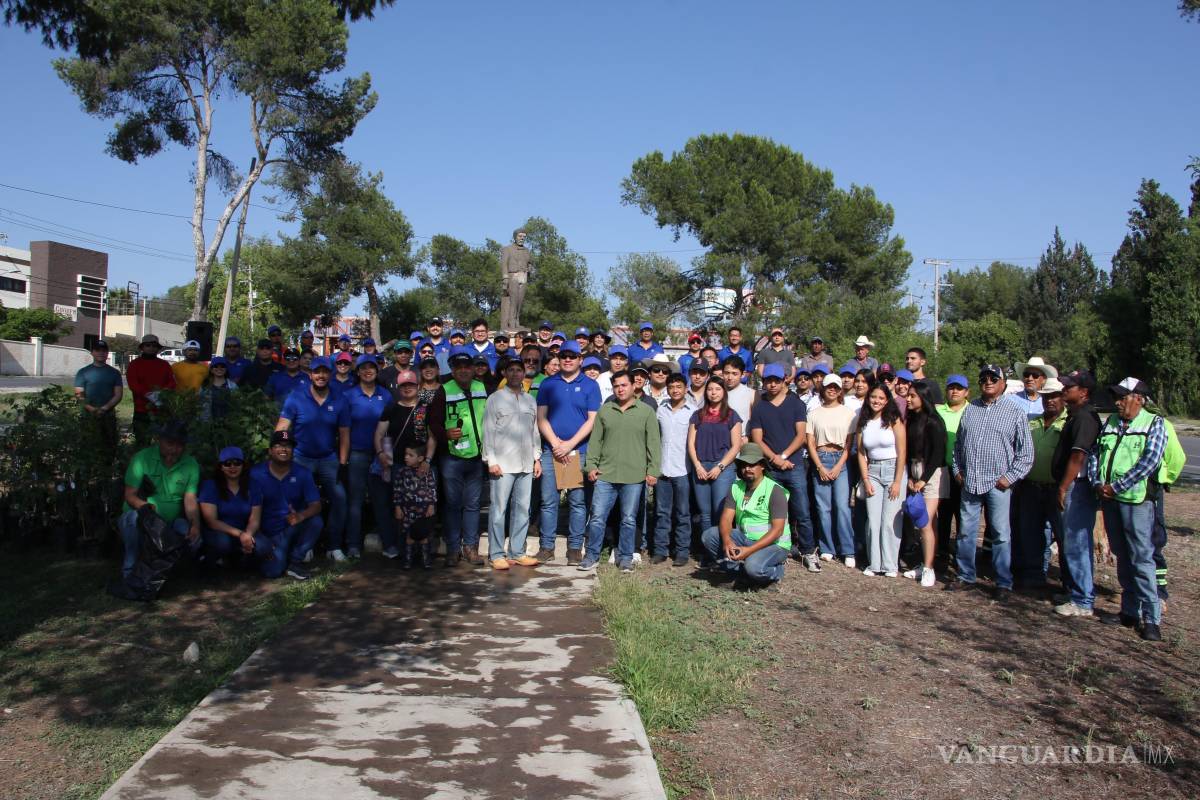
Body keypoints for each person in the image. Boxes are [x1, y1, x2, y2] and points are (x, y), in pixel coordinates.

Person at [1090, 377, 1167, 641]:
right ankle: (1129, 611)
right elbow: (1095, 454)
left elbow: (1150, 461)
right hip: (1110, 500)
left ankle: (1151, 618)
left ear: (1139, 399)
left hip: (1136, 502)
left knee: (1142, 558)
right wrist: (1098, 483)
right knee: (1122, 555)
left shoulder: (1154, 424)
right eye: (1117, 397)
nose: (1118, 402)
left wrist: (1117, 486)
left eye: (1123, 397)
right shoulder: (1111, 423)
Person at [949, 364, 1034, 598]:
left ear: (1003, 384)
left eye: (993, 378)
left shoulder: (1014, 411)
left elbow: (1026, 452)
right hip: (970, 482)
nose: (988, 381)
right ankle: (965, 575)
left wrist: (1009, 477)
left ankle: (1002, 582)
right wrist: (958, 470)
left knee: (1000, 534)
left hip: (998, 483)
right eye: (984, 378)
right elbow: (958, 446)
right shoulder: (971, 409)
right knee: (966, 532)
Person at [579, 370, 661, 572]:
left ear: (634, 386)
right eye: (616, 386)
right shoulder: (606, 411)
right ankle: (592, 556)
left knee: (628, 518)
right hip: (605, 475)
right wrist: (591, 466)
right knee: (597, 517)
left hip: (634, 476)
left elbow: (654, 444)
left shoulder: (646, 412)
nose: (620, 389)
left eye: (624, 385)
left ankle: (625, 557)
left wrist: (653, 471)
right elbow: (595, 441)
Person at [276, 356, 351, 561]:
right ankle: (305, 545)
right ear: (310, 374)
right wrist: (280, 454)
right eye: (317, 372)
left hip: (328, 458)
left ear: (330, 374)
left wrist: (343, 463)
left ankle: (333, 546)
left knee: (340, 499)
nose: (321, 375)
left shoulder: (339, 399)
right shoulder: (296, 397)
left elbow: (344, 434)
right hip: (301, 458)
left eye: (325, 372)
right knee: (300, 502)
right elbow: (282, 427)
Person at [535, 340, 601, 564]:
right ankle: (546, 546)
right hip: (551, 451)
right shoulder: (548, 383)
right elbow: (541, 418)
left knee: (577, 501)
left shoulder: (591, 385)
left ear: (580, 359)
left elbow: (592, 420)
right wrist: (556, 444)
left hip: (578, 451)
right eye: (564, 355)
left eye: (572, 356)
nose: (568, 359)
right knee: (548, 501)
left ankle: (574, 548)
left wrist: (569, 445)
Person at [749, 363, 817, 567]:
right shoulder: (760, 406)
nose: (772, 384)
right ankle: (776, 548)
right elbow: (757, 439)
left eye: (776, 381)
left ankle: (807, 551)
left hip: (794, 466)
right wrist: (774, 459)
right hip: (771, 468)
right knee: (772, 512)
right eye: (768, 381)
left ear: (784, 380)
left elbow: (801, 435)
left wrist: (785, 455)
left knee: (802, 511)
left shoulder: (796, 404)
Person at [427, 347, 489, 567]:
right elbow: (432, 421)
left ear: (473, 369)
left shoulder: (481, 388)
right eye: (458, 367)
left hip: (477, 457)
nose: (463, 371)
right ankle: (453, 549)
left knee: (472, 505)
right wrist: (444, 434)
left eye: (467, 367)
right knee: (452, 504)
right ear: (452, 370)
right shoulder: (443, 390)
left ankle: (470, 548)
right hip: (452, 457)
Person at [701, 442, 790, 588]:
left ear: (762, 466)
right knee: (709, 536)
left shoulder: (775, 490)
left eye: (752, 464)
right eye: (743, 465)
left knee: (754, 568)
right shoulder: (736, 487)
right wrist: (727, 541)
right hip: (745, 538)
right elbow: (726, 518)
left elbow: (777, 531)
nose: (747, 468)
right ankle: (740, 572)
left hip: (774, 544)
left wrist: (749, 551)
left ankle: (775, 572)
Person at [118, 420, 201, 577]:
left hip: (171, 521)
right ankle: (129, 571)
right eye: (170, 443)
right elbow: (130, 496)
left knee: (194, 537)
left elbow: (190, 499)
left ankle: (169, 573)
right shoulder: (141, 459)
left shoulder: (191, 464)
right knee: (130, 520)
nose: (175, 449)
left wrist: (195, 525)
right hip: (143, 517)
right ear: (159, 441)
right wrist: (148, 509)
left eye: (180, 445)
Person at [483, 357, 542, 570]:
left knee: (523, 509)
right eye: (512, 370)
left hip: (526, 462)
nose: (516, 373)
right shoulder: (495, 399)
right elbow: (488, 431)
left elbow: (534, 430)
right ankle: (496, 553)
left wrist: (537, 458)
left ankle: (517, 552)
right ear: (505, 374)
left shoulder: (529, 400)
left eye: (519, 370)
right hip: (503, 463)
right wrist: (491, 460)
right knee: (499, 510)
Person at [1050, 370, 1102, 617]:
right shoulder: (1075, 415)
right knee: (1070, 542)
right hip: (1071, 486)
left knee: (1077, 542)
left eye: (1070, 386)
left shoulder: (1085, 418)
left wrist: (1063, 486)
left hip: (1077, 488)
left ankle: (1083, 600)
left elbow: (1078, 455)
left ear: (1084, 392)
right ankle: (1074, 592)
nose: (1064, 389)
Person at [374, 369, 435, 562]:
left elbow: (432, 436)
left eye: (411, 385)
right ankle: (403, 549)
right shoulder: (391, 408)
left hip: (422, 466)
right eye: (404, 385)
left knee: (425, 508)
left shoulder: (426, 407)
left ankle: (425, 548)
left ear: (418, 386)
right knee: (401, 508)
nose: (407, 388)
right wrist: (380, 453)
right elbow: (379, 434)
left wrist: (427, 460)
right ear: (399, 388)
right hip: (399, 465)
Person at [1012, 377, 1067, 589]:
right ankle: (1034, 577)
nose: (1050, 401)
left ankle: (1068, 582)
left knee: (1063, 537)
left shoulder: (1067, 423)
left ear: (1062, 399)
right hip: (1031, 486)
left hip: (1056, 488)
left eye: (1054, 397)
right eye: (1046, 397)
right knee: (1031, 535)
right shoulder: (1031, 422)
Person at [250, 429, 324, 580]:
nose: (284, 449)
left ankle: (295, 561)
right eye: (278, 445)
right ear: (270, 450)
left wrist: (301, 515)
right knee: (273, 572)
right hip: (265, 532)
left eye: (288, 446)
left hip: (290, 528)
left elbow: (316, 504)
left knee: (316, 521)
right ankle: (272, 556)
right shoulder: (255, 473)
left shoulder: (303, 473)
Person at [343, 355, 394, 559]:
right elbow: (343, 428)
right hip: (357, 453)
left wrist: (387, 455)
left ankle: (389, 544)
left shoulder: (385, 395)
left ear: (377, 370)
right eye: (363, 368)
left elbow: (391, 427)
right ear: (357, 372)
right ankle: (353, 544)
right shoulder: (349, 396)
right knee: (355, 500)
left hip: (380, 454)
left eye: (371, 367)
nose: (367, 371)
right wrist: (344, 457)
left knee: (382, 500)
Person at [806, 373, 857, 572]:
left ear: (840, 390)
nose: (832, 389)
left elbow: (848, 444)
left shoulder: (848, 413)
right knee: (823, 508)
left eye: (836, 387)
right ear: (823, 388)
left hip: (840, 461)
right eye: (829, 386)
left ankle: (848, 550)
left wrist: (837, 466)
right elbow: (810, 442)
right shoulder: (814, 413)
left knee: (842, 507)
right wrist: (819, 466)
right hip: (821, 457)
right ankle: (827, 547)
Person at [856, 384, 907, 577]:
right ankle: (874, 564)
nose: (876, 401)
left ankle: (890, 565)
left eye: (881, 398)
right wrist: (866, 479)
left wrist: (897, 481)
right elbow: (861, 454)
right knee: (873, 521)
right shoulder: (863, 422)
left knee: (889, 521)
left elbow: (902, 451)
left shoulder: (894, 420)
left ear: (887, 401)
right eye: (873, 397)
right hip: (873, 471)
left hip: (894, 469)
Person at [901, 381, 947, 587]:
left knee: (925, 521)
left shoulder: (934, 422)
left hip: (932, 474)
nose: (908, 399)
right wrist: (911, 476)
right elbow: (909, 452)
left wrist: (922, 480)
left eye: (912, 396)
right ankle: (923, 562)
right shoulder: (911, 419)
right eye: (908, 395)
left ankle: (929, 569)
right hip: (915, 470)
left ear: (923, 397)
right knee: (923, 521)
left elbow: (938, 455)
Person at [688, 378, 743, 543]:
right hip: (701, 467)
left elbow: (736, 446)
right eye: (710, 389)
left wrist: (720, 466)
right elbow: (690, 443)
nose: (713, 393)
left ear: (724, 392)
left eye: (717, 389)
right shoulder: (698, 415)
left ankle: (721, 549)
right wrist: (697, 466)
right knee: (704, 513)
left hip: (723, 468)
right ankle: (707, 551)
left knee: (721, 511)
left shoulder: (732, 415)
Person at [199, 447, 265, 569]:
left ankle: (239, 560)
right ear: (221, 467)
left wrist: (248, 534)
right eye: (227, 464)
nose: (232, 467)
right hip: (219, 531)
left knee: (263, 546)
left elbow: (255, 519)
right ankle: (212, 558)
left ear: (243, 465)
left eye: (237, 463)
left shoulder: (253, 485)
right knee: (223, 543)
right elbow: (211, 522)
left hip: (245, 530)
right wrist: (240, 535)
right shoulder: (210, 486)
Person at [656, 373, 694, 566]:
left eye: (679, 386)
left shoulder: (693, 411)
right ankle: (661, 550)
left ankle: (682, 551)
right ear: (667, 389)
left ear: (685, 388)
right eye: (672, 387)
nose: (675, 390)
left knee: (683, 513)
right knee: (662, 512)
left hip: (683, 469)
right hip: (663, 469)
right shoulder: (661, 409)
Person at [935, 375, 970, 560]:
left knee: (964, 515)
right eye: (951, 387)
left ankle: (962, 554)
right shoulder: (939, 411)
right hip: (942, 470)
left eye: (959, 388)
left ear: (966, 392)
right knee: (944, 513)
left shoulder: (972, 411)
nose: (954, 391)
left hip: (964, 472)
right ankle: (941, 550)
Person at [392, 442, 439, 569]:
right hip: (407, 510)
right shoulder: (402, 472)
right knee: (409, 536)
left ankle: (426, 560)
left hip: (423, 510)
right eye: (405, 454)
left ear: (420, 458)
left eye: (410, 455)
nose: (406, 457)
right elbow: (397, 490)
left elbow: (432, 488)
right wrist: (397, 507)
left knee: (424, 536)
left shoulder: (427, 472)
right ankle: (407, 560)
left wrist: (431, 505)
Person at [126, 334, 177, 444]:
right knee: (142, 443)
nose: (151, 348)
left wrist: (161, 394)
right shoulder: (134, 364)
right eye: (148, 345)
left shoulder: (165, 365)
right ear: (142, 347)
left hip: (161, 410)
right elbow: (133, 384)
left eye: (154, 346)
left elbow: (172, 382)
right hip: (142, 411)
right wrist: (149, 395)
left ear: (158, 349)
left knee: (163, 443)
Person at [73, 338, 122, 448]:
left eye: (104, 350)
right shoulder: (83, 372)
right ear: (92, 352)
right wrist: (92, 409)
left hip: (108, 415)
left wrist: (104, 408)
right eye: (97, 350)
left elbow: (118, 395)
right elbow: (79, 394)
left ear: (107, 353)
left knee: (109, 446)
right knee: (87, 446)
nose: (101, 353)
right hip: (88, 415)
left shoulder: (115, 373)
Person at [499, 228, 531, 331]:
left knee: (520, 301)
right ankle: (511, 322)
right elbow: (504, 264)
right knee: (513, 300)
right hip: (513, 276)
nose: (522, 238)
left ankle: (517, 321)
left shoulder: (526, 251)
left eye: (524, 237)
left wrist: (530, 269)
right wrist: (505, 278)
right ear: (515, 237)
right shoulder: (507, 249)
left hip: (524, 276)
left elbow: (529, 263)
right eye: (520, 236)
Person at [1010, 357, 1057, 421]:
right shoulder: (1010, 400)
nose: (1030, 379)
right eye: (1026, 374)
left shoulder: (1049, 403)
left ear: (1044, 379)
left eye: (1035, 375)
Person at [722, 356, 754, 435]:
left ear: (742, 374)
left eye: (734, 374)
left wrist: (748, 438)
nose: (730, 377)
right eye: (727, 373)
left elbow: (756, 422)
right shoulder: (715, 392)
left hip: (741, 441)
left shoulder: (751, 394)